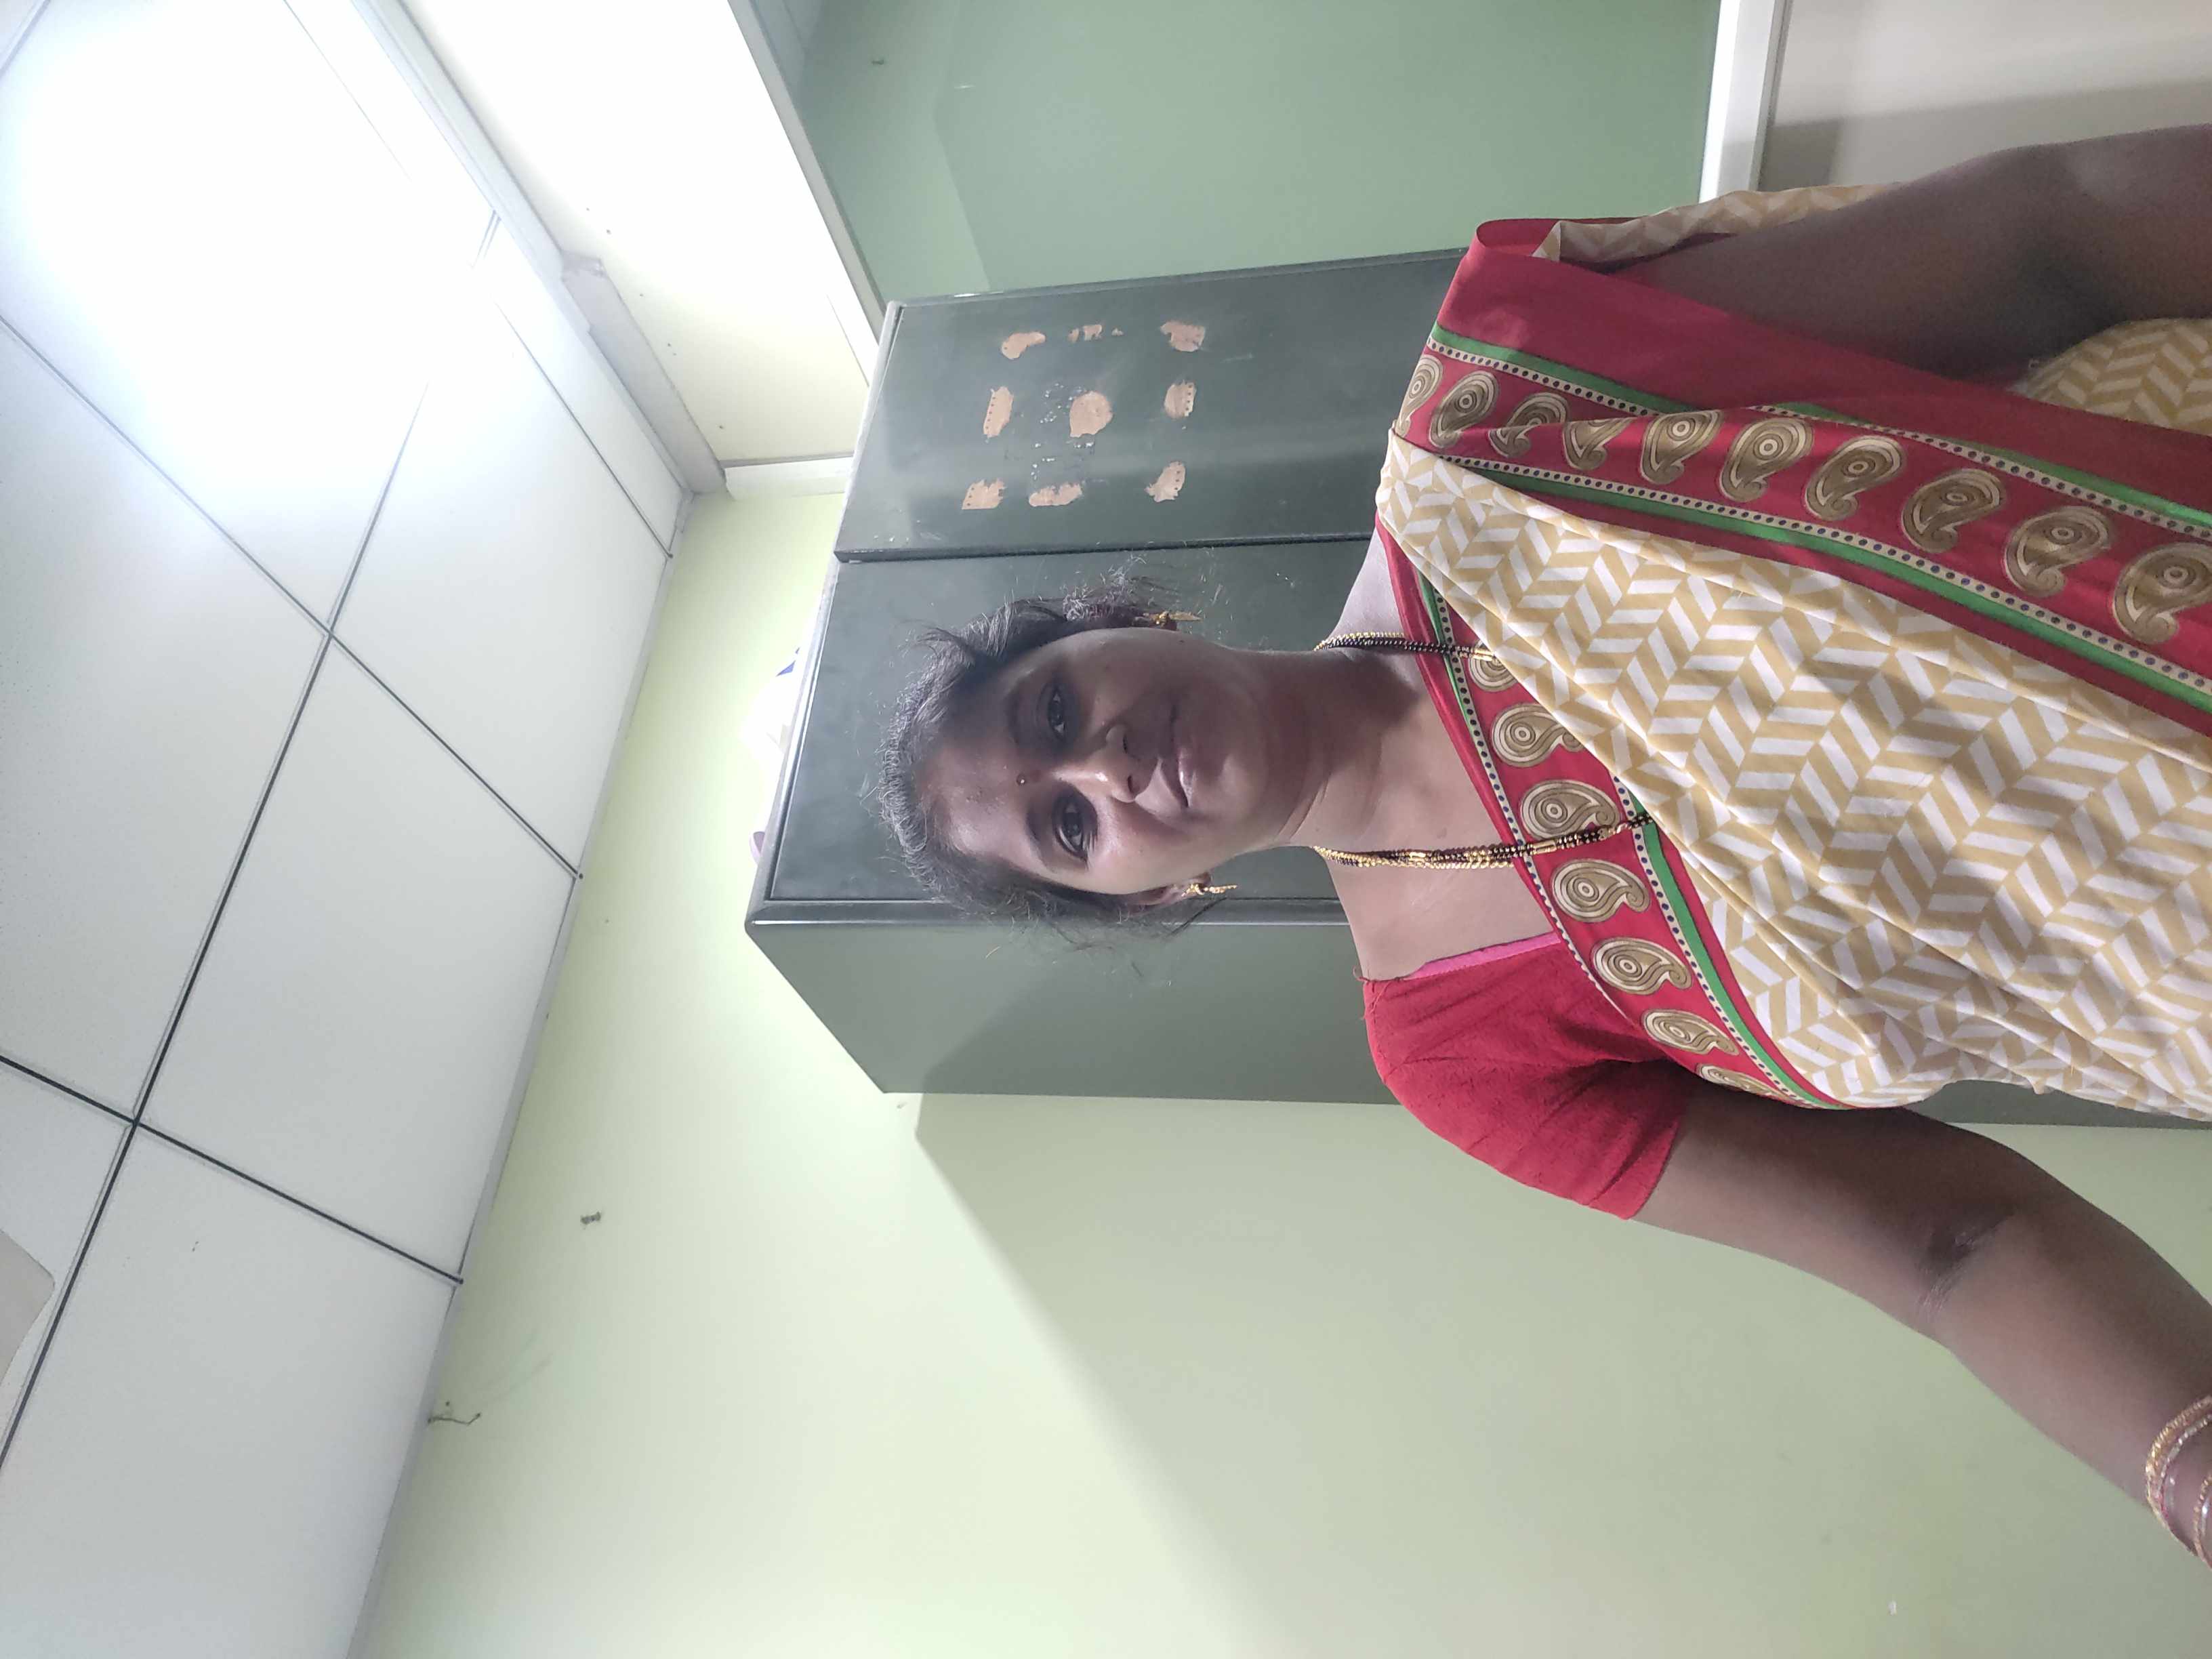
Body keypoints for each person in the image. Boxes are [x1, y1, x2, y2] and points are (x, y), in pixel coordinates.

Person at [877, 125, 2212, 1565]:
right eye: (1068, 824)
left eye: (1054, 708)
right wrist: (2195, 1479)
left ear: (1119, 620)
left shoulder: (1508, 417)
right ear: (1147, 898)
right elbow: (1954, 1248)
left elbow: (2038, 234)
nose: (1106, 765)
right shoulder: (1465, 1059)